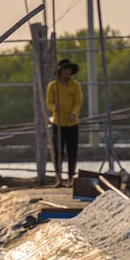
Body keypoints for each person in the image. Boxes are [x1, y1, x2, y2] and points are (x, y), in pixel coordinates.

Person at [46, 58, 83, 187]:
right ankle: (58, 178)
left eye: (69, 69)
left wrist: (74, 113)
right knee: (58, 151)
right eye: (65, 69)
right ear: (60, 71)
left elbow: (78, 102)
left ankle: (71, 178)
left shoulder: (75, 85)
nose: (67, 72)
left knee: (72, 151)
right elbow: (49, 102)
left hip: (72, 123)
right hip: (58, 122)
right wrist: (53, 107)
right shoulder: (53, 86)